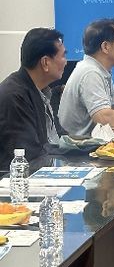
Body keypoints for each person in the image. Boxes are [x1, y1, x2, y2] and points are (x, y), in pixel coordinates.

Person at [0, 28, 67, 169]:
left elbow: (51, 143)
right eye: (63, 56)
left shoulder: (40, 91)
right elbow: (29, 156)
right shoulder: (14, 97)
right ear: (45, 63)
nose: (66, 62)